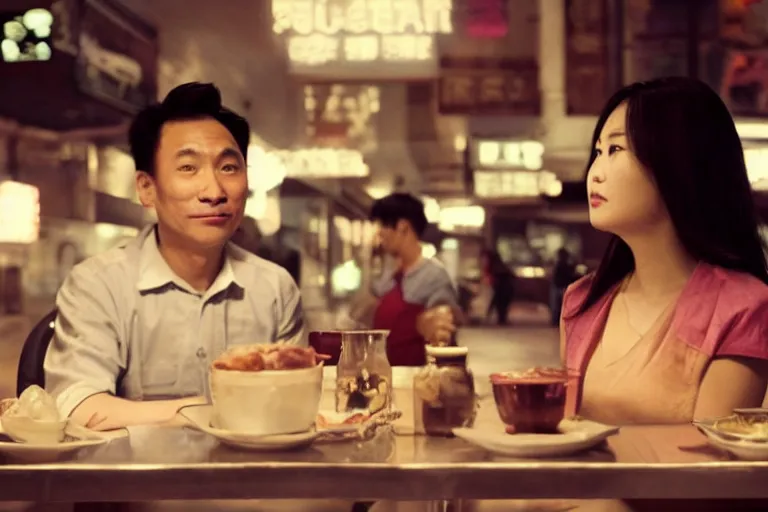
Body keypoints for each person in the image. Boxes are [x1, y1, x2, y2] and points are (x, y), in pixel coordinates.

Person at [44, 83, 305, 431]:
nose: (214, 192)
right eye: (188, 168)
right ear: (146, 188)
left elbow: (298, 402)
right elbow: (78, 406)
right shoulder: (100, 283)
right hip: (135, 482)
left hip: (252, 481)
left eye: (228, 168)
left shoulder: (274, 287)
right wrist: (208, 409)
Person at [562, 77, 768, 426]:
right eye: (597, 152)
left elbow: (707, 462)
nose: (594, 174)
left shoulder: (742, 309)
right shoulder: (583, 301)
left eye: (615, 150)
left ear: (678, 162)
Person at [369, 193, 459, 365]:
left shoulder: (434, 276)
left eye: (383, 225)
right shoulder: (389, 276)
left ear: (403, 227)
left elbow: (445, 331)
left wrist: (433, 325)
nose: (379, 233)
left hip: (415, 378)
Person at [481, 249, 514, 326]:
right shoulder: (498, 265)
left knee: (499, 304)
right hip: (503, 288)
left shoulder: (495, 266)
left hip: (503, 288)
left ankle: (500, 319)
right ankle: (501, 319)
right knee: (500, 304)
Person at [550, 248, 577, 326]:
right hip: (560, 287)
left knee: (558, 306)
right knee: (559, 306)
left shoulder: (561, 265)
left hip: (559, 287)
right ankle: (557, 321)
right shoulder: (562, 265)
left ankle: (556, 321)